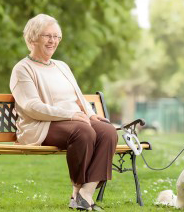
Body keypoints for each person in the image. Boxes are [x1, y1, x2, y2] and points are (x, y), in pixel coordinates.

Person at [9, 14, 118, 211]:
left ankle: (85, 194)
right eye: (47, 36)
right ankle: (77, 192)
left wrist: (91, 115)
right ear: (32, 38)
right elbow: (32, 106)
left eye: (57, 36)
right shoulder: (22, 69)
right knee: (84, 132)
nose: (53, 41)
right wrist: (69, 115)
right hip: (41, 124)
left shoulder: (62, 66)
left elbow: (78, 96)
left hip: (75, 120)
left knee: (108, 132)